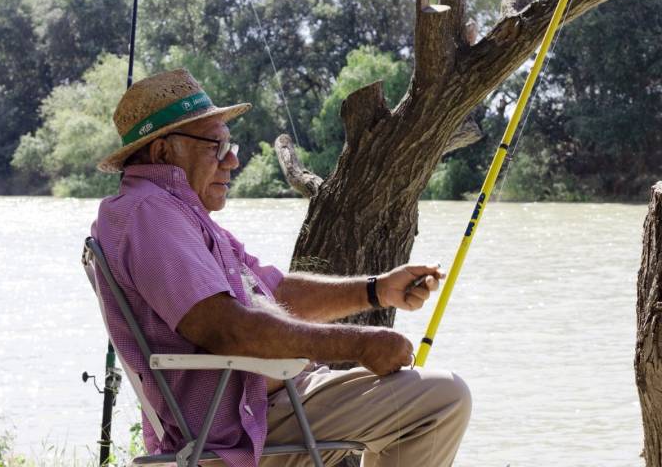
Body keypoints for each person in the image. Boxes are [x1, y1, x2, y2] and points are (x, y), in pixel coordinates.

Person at [92, 68, 471, 467]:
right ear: (163, 152)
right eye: (216, 146)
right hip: (244, 422)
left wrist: (376, 290)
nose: (233, 159)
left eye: (230, 144)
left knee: (427, 396)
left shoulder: (174, 211)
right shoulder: (150, 214)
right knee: (442, 400)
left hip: (272, 400)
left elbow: (272, 291)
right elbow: (225, 329)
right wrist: (358, 344)